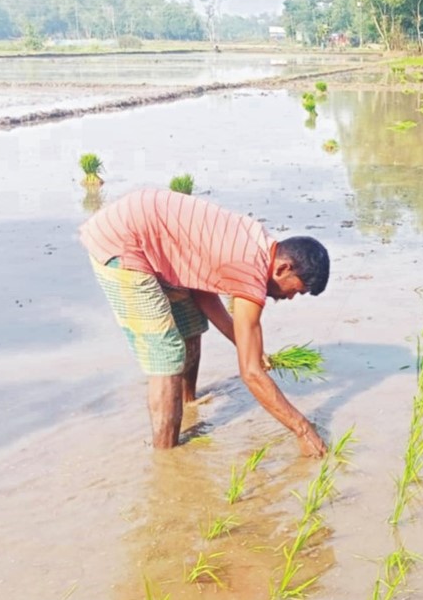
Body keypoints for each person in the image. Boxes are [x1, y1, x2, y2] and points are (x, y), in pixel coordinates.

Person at [80, 188, 330, 456]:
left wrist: (250, 349)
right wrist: (303, 429)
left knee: (192, 324)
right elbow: (251, 374)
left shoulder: (257, 242)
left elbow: (204, 293)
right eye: (295, 290)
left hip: (147, 233)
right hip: (122, 244)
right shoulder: (250, 270)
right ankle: (167, 459)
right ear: (283, 268)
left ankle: (188, 406)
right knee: (167, 355)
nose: (290, 297)